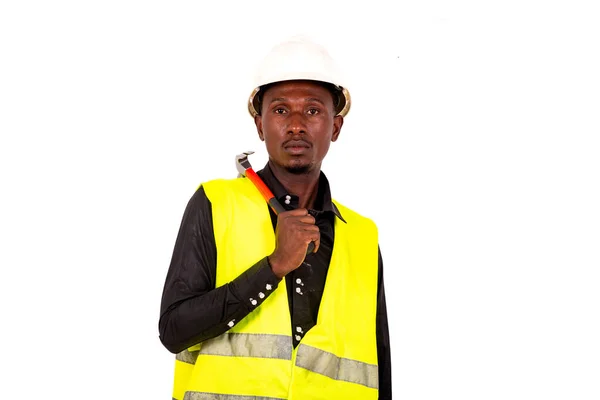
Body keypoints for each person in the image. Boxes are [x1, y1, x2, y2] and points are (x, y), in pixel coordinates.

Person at [158, 36, 392, 400]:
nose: (296, 124)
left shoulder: (362, 236)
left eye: (313, 111)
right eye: (281, 110)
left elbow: (379, 368)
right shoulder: (215, 203)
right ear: (259, 125)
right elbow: (173, 331)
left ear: (335, 127)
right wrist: (274, 267)